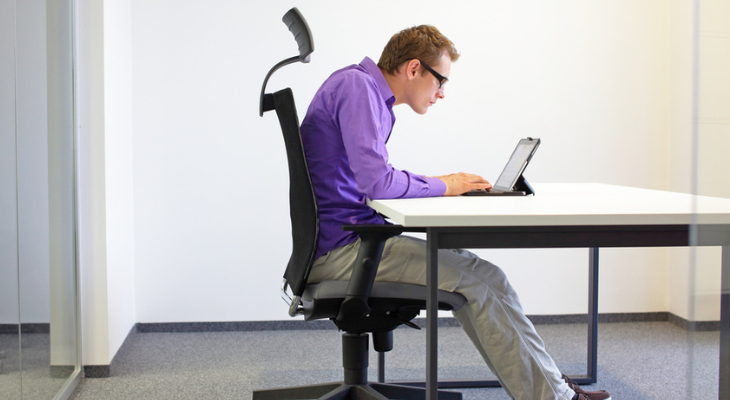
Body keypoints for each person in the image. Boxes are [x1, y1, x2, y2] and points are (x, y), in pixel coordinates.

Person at [299, 25, 611, 400]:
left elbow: (373, 179)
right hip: (343, 253)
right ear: (414, 68)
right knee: (474, 286)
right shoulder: (357, 88)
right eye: (441, 80)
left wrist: (443, 183)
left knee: (490, 276)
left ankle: (555, 388)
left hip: (354, 242)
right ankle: (553, 398)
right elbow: (378, 184)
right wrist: (446, 184)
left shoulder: (366, 93)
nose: (442, 93)